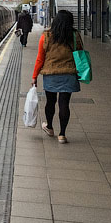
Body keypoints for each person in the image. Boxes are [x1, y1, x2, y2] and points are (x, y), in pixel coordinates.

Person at [32, 9, 82, 144]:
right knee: (64, 104)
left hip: (50, 74)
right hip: (69, 73)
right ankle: (62, 134)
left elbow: (40, 59)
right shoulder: (75, 35)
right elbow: (80, 53)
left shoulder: (46, 36)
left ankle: (49, 127)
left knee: (50, 102)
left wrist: (34, 76)